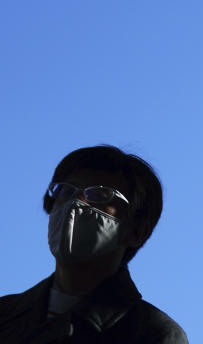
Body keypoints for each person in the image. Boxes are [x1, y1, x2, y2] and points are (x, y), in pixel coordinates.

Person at [0, 145, 188, 343]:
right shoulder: (5, 313)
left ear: (136, 232)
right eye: (65, 191)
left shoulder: (152, 333)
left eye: (99, 195)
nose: (75, 203)